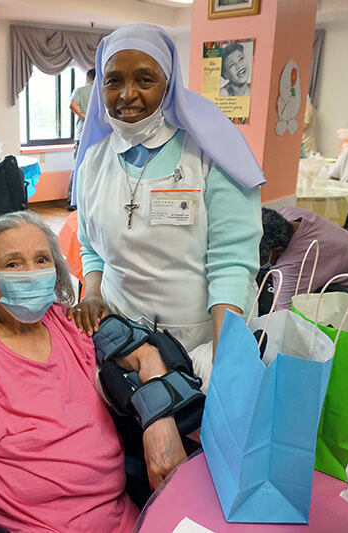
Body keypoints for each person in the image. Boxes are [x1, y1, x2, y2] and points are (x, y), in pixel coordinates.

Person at [0, 210, 184, 533]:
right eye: (13, 264)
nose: (31, 273)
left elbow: (147, 357)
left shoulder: (68, 322)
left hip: (122, 519)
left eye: (42, 259)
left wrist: (160, 420)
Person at [71, 23, 264, 390]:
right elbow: (89, 245)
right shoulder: (94, 157)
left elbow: (231, 261)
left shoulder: (210, 154)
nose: (128, 95)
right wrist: (93, 293)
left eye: (145, 80)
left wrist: (225, 359)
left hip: (202, 341)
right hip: (124, 341)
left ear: (169, 82)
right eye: (113, 81)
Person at [260, 207, 348, 312]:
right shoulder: (289, 213)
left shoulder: (295, 266)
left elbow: (284, 318)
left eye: (259, 259)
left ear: (277, 251)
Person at [68, 69, 96, 210]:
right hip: (100, 136)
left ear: (88, 78)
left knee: (78, 167)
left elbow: (72, 105)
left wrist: (84, 116)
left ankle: (73, 201)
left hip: (82, 135)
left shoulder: (80, 90)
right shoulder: (103, 91)